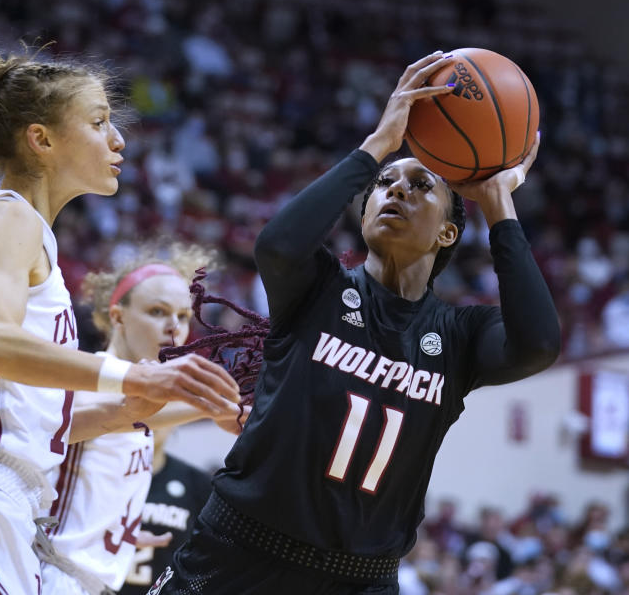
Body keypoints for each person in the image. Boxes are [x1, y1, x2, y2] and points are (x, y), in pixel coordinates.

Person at [151, 51, 561, 594]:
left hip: (359, 580)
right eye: (386, 183)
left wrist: (497, 202)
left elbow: (539, 342)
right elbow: (277, 243)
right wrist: (378, 145)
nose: (396, 189)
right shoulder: (319, 288)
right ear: (362, 212)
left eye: (421, 186)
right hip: (240, 551)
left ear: (446, 234)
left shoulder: (460, 336)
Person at [0, 38, 240, 594]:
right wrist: (133, 375)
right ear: (42, 140)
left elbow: (51, 423)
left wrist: (179, 403)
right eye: (100, 121)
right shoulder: (12, 221)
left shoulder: (28, 239)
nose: (118, 138)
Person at [37, 244, 245, 595]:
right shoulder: (88, 380)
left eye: (182, 316)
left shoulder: (143, 400)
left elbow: (154, 410)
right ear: (117, 316)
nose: (173, 327)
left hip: (92, 580)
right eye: (157, 311)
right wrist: (216, 405)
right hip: (53, 576)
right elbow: (60, 427)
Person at [118, 426, 210, 595]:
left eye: (161, 412)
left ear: (176, 423)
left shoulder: (197, 483)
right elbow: (53, 522)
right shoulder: (97, 476)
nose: (153, 423)